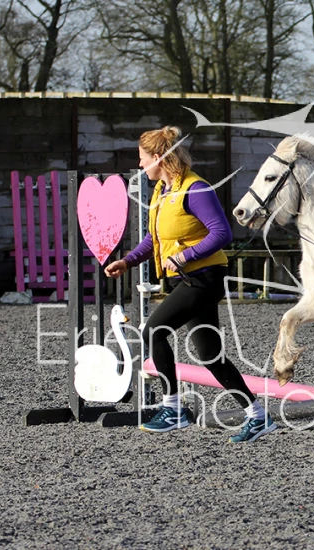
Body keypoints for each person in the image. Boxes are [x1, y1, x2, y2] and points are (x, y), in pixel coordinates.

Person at [104, 126, 277, 443]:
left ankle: (173, 409)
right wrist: (128, 261)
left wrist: (185, 256)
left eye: (143, 158)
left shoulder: (195, 189)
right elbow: (155, 238)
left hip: (203, 279)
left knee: (153, 331)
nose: (140, 165)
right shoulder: (162, 191)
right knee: (210, 355)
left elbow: (222, 233)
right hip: (188, 280)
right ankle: (257, 416)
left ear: (158, 157)